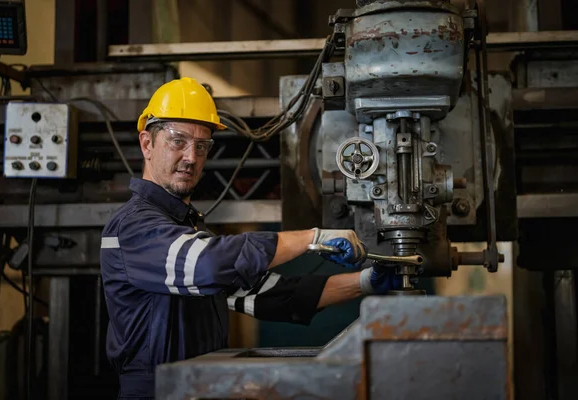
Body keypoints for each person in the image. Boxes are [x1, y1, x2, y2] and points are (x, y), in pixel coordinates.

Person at [100, 77, 398, 399]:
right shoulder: (133, 228)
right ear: (147, 143)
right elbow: (210, 265)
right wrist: (312, 237)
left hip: (197, 387)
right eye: (177, 141)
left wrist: (366, 282)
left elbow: (271, 295)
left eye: (202, 146)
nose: (191, 156)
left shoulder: (188, 232)